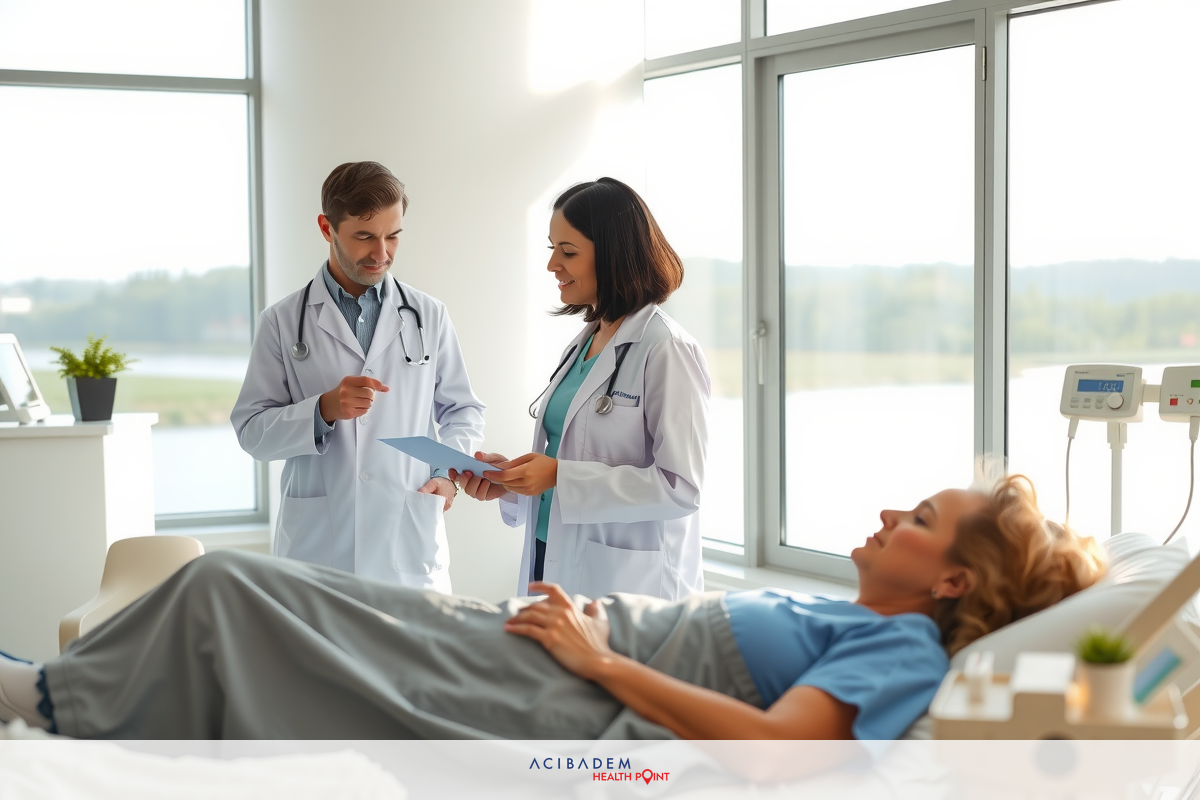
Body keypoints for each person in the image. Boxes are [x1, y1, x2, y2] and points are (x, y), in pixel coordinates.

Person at [0, 474, 1104, 741]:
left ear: (953, 581)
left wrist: (599, 657)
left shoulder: (904, 647)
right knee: (239, 584)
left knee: (235, 583)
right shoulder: (870, 619)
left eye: (915, 516)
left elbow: (783, 753)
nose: (884, 513)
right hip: (560, 637)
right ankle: (56, 694)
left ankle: (47, 703)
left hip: (563, 678)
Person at [230, 162, 485, 592]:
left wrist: (446, 473)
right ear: (326, 227)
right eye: (365, 236)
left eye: (393, 236)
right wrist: (323, 410)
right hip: (318, 552)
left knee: (410, 658)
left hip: (408, 542)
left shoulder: (428, 315)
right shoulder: (281, 321)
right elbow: (252, 432)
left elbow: (464, 411)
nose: (381, 252)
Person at [453, 178, 710, 601]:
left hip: (625, 583)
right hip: (548, 553)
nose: (553, 264)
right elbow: (567, 456)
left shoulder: (667, 349)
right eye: (552, 248)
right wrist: (513, 480)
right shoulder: (584, 343)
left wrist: (558, 476)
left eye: (568, 252)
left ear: (614, 256)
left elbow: (681, 488)